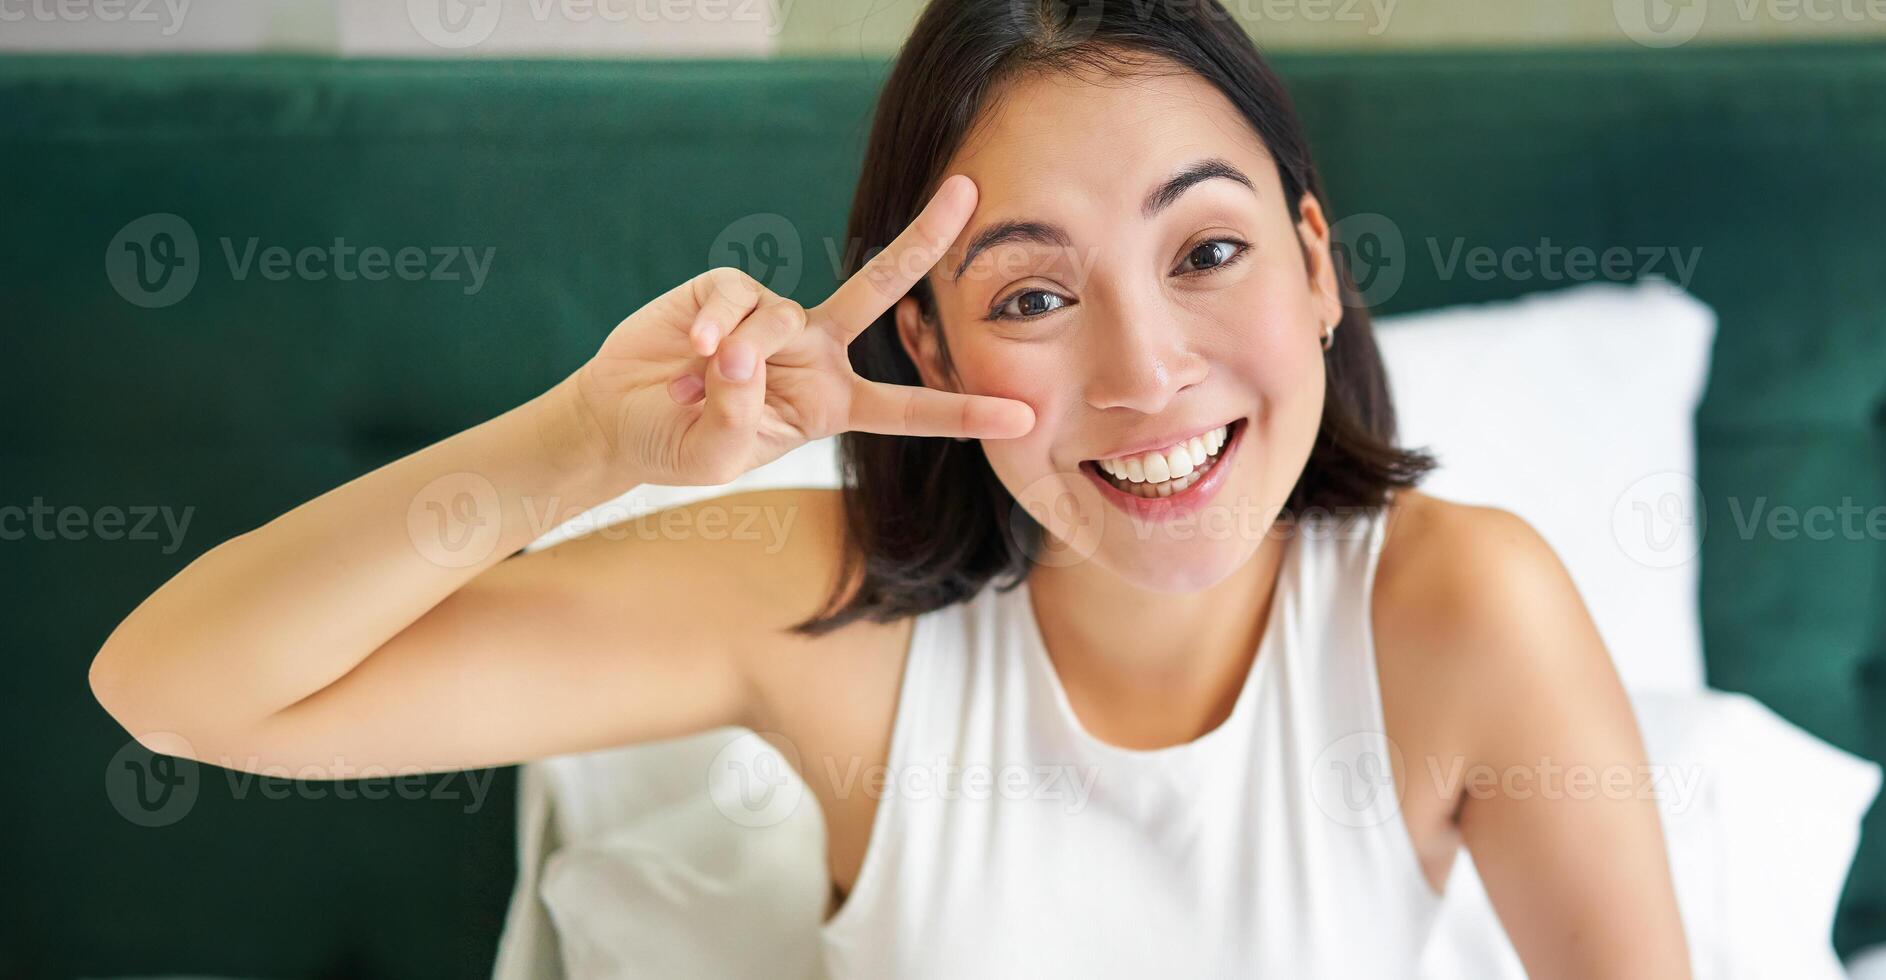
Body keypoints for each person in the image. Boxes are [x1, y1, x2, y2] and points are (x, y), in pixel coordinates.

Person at [89, 0, 1688, 974]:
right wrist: (586, 446)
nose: (1146, 376)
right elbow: (180, 693)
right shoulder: (827, 606)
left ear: (1319, 264)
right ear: (921, 340)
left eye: (1209, 252)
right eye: (1034, 296)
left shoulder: (1464, 611)